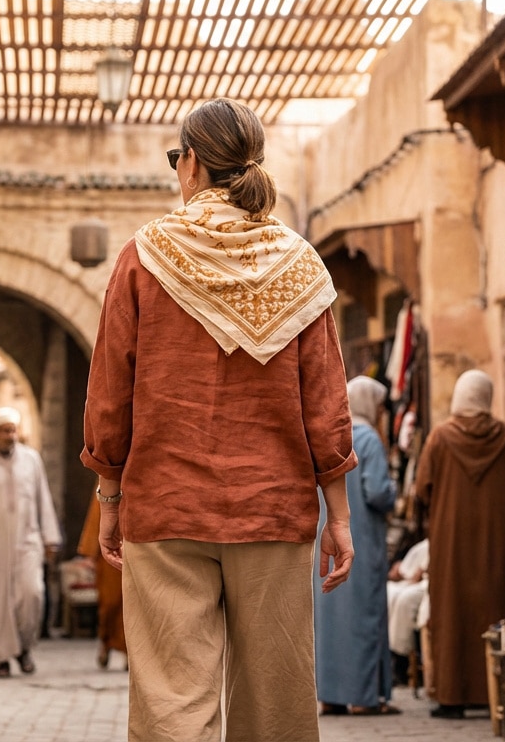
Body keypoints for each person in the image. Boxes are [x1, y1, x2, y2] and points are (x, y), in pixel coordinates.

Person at [81, 97, 358, 742]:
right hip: (272, 511)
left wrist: (112, 499)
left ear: (194, 164)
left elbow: (108, 397)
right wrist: (339, 517)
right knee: (277, 703)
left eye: (178, 158)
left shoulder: (143, 257)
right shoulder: (298, 265)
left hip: (167, 507)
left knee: (172, 701)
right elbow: (326, 403)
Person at [415, 369, 505, 718]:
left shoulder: (439, 438)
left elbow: (422, 489)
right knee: (497, 610)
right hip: (499, 546)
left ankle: (452, 696)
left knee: (452, 615)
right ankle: (501, 693)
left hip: (452, 549)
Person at [315, 376, 399, 716]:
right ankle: (365, 698)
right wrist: (395, 495)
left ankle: (331, 695)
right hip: (359, 541)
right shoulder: (367, 440)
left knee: (331, 619)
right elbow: (378, 491)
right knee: (365, 616)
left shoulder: (330, 436)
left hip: (328, 540)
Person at [0, 407, 62, 678]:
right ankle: (2, 658)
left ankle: (25, 648)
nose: (11, 435)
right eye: (5, 431)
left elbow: (43, 499)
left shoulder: (31, 460)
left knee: (33, 595)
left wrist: (50, 537)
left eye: (14, 430)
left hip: (28, 540)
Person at [77, 498, 126, 670]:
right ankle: (106, 642)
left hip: (133, 544)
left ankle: (130, 652)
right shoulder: (105, 475)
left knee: (131, 604)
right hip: (109, 552)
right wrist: (90, 553)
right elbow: (96, 512)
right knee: (109, 603)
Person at [387, 537, 429, 668]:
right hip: (415, 579)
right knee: (389, 592)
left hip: (428, 581)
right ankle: (391, 651)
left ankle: (402, 657)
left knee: (406, 599)